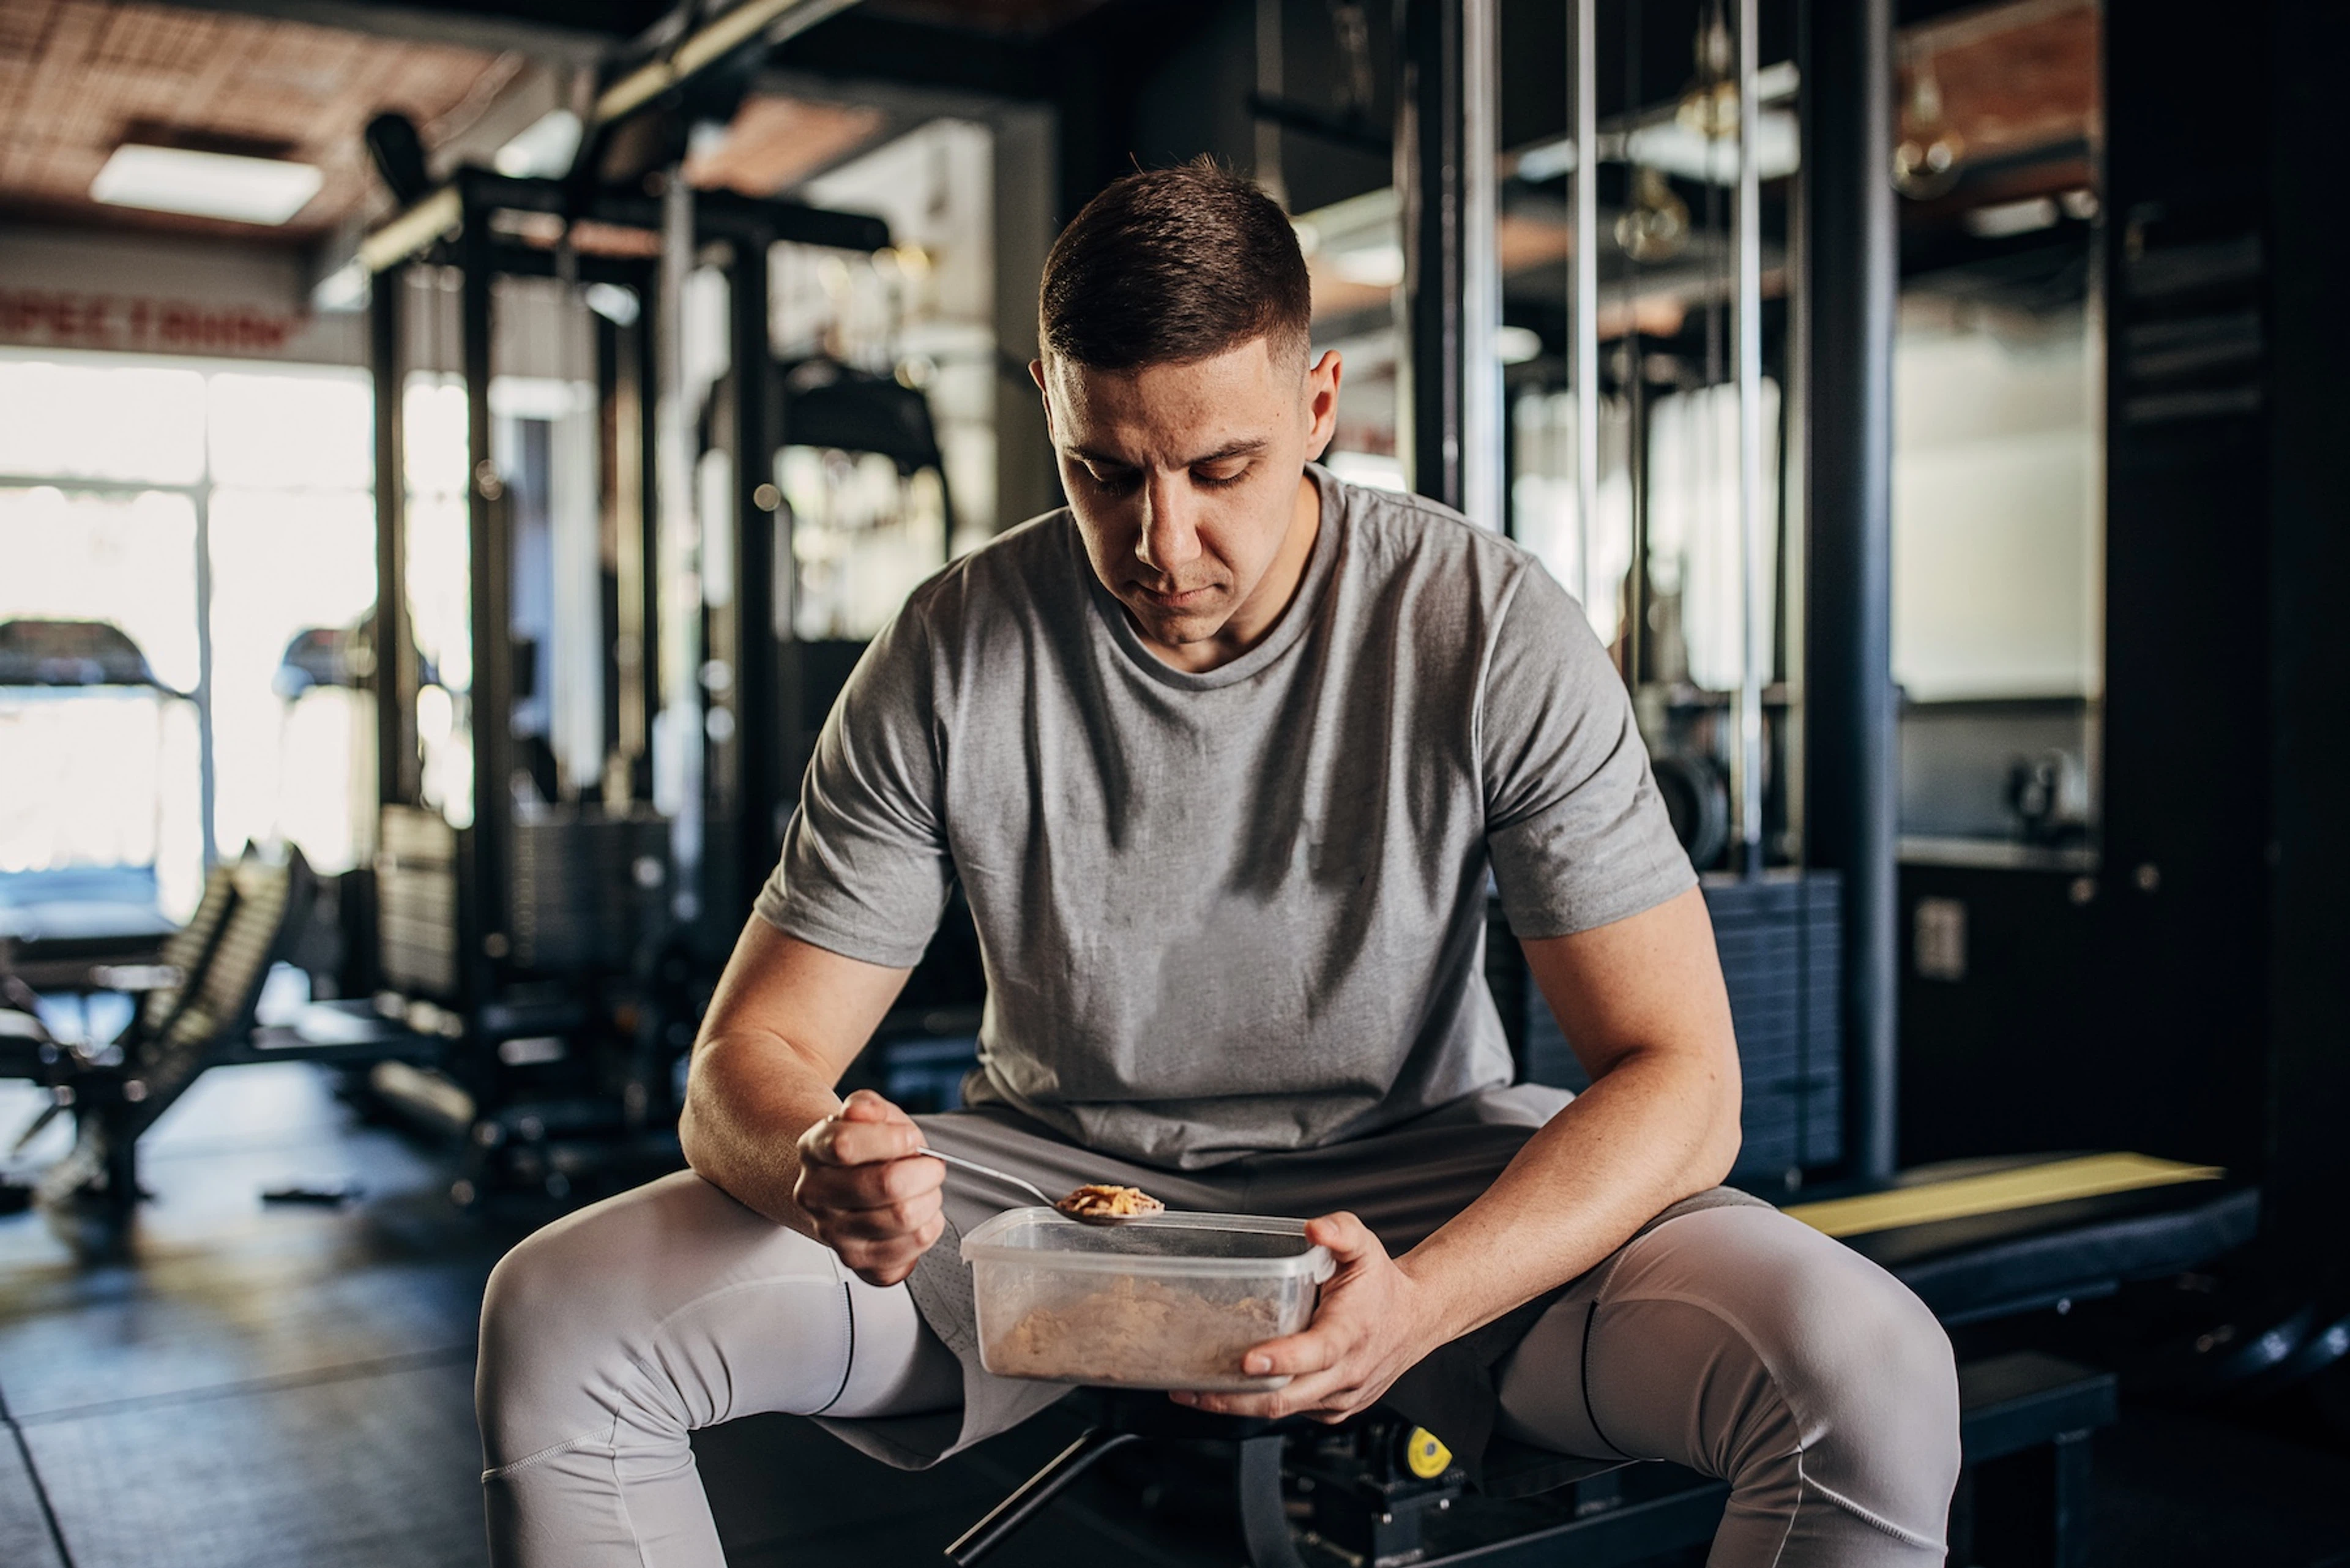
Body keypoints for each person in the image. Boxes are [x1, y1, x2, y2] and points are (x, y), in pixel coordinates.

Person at [476, 160, 1960, 1567]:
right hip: (1040, 1215)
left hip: (1423, 1190)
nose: (1162, 541)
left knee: (1870, 1372)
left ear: (1320, 403)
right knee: (558, 1316)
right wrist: (815, 1167)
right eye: (1103, 473)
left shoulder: (1486, 623)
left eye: (1220, 466)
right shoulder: (949, 651)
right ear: (1050, 406)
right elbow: (749, 1055)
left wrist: (1425, 1303)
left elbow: (1684, 1079)